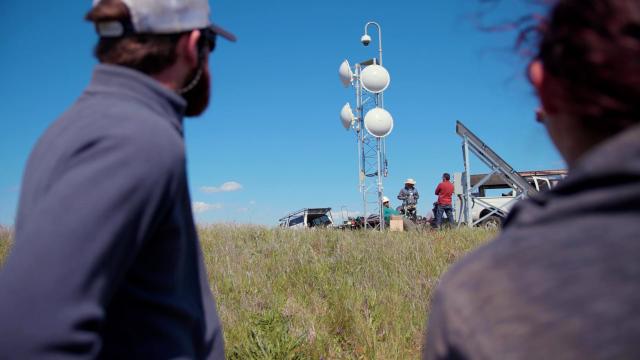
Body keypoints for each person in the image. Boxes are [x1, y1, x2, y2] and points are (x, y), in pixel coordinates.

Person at [0, 0, 236, 358]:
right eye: (210, 46)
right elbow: (26, 337)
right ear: (191, 45)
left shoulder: (73, 128)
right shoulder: (136, 138)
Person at [424, 0, 640, 359]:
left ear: (543, 87)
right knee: (447, 220)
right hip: (450, 210)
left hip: (451, 218)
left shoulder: (481, 294)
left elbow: (437, 194)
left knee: (444, 218)